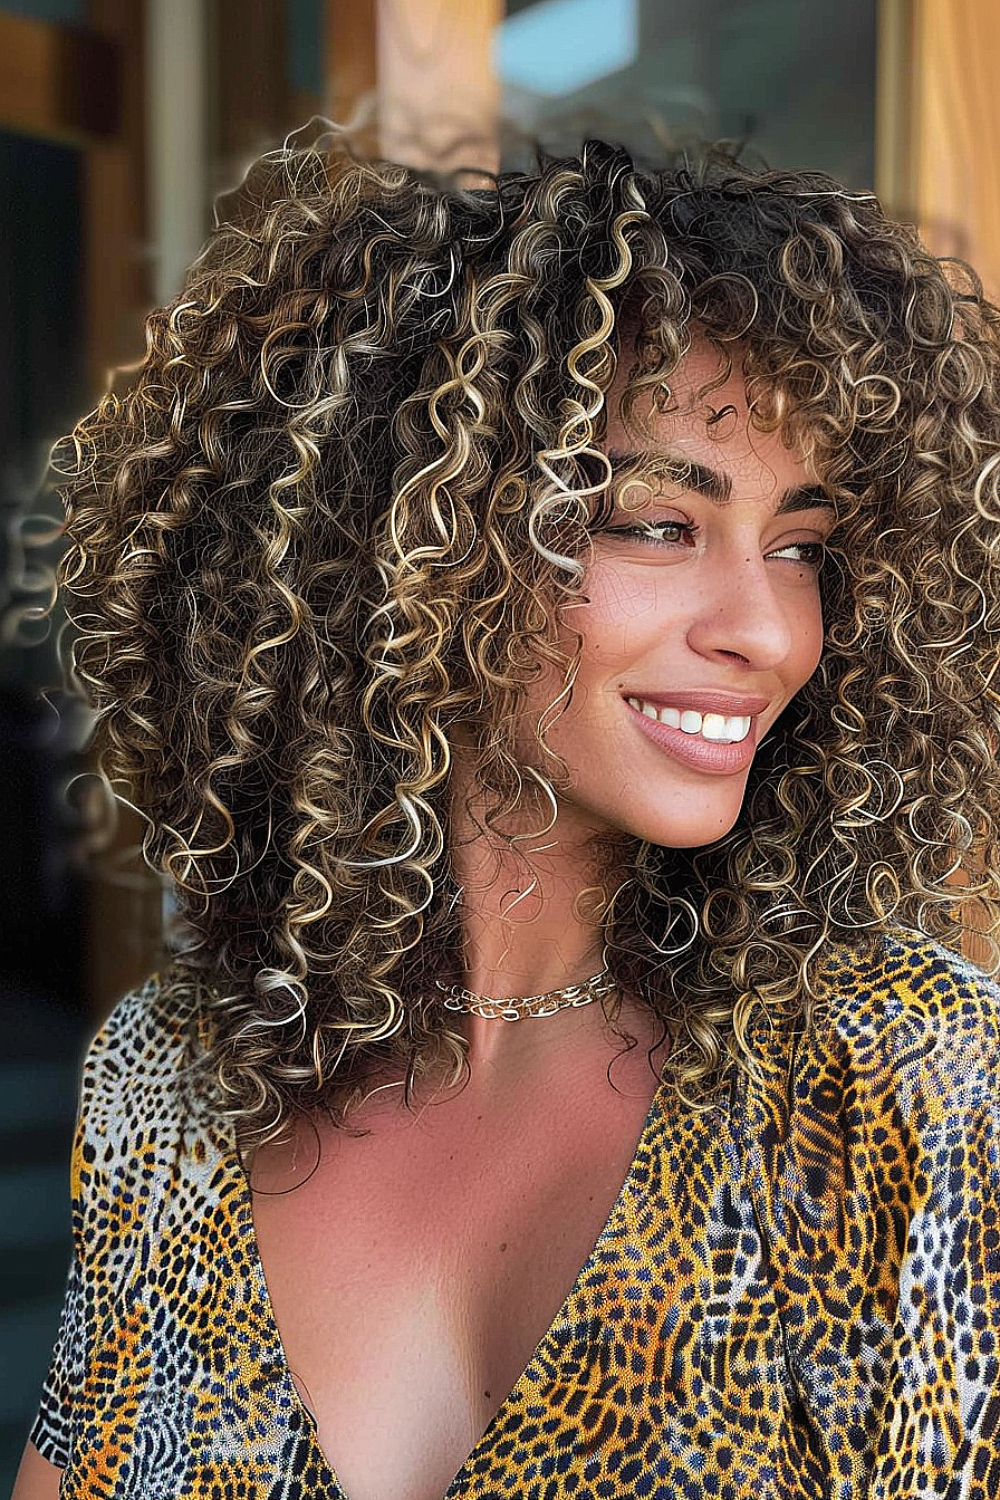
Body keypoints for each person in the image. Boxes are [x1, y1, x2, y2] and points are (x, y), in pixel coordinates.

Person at [12, 128, 1000, 1500]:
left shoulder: (913, 1087)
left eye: (804, 549)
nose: (769, 632)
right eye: (660, 524)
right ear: (418, 540)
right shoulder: (169, 1092)